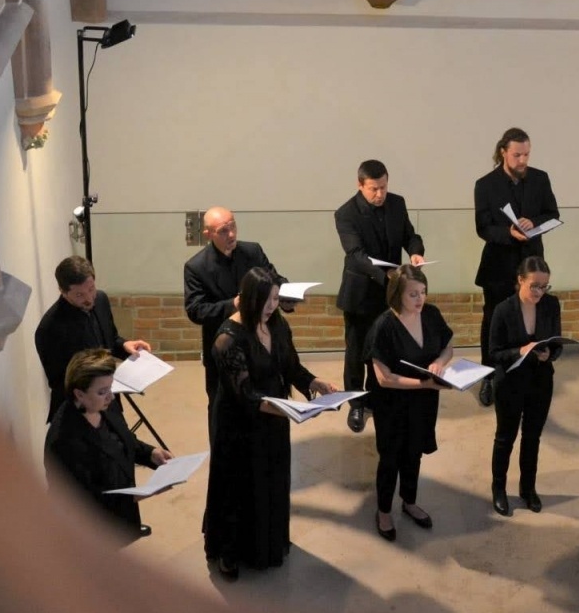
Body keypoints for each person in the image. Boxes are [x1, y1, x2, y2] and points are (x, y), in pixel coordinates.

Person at [204, 269, 337, 580]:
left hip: (275, 415)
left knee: (271, 480)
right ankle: (230, 553)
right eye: (266, 300)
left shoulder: (277, 323)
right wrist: (293, 411)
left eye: (276, 299)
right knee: (239, 487)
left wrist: (315, 383)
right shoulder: (227, 339)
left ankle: (266, 543)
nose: (272, 305)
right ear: (250, 299)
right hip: (240, 424)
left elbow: (289, 365)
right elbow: (246, 396)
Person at [334, 159, 425, 433]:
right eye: (373, 189)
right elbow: (355, 254)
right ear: (360, 185)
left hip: (390, 292)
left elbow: (410, 235)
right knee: (357, 351)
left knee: (383, 348)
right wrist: (384, 275)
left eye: (383, 187)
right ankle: (356, 404)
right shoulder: (346, 214)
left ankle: (377, 398)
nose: (380, 194)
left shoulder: (397, 203)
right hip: (361, 293)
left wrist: (416, 251)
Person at [43, 349, 171, 542]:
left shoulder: (102, 405)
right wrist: (137, 496)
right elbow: (83, 502)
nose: (111, 397)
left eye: (111, 388)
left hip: (120, 517)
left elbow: (123, 439)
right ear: (79, 394)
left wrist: (151, 453)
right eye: (102, 391)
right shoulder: (63, 441)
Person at [473, 126, 559, 408]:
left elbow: (552, 214)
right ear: (503, 152)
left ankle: (527, 365)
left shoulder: (540, 178)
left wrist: (534, 222)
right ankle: (489, 375)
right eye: (517, 155)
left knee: (531, 317)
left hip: (531, 261)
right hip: (499, 264)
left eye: (526, 154)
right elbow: (483, 228)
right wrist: (509, 233)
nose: (523, 160)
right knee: (493, 320)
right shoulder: (485, 184)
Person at [367, 264, 454, 541]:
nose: (420, 300)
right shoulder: (383, 326)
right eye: (413, 295)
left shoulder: (430, 314)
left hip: (423, 401)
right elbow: (384, 378)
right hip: (392, 404)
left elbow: (448, 345)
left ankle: (409, 501)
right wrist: (424, 384)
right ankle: (383, 510)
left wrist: (439, 364)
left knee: (414, 452)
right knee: (390, 456)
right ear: (397, 295)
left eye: (423, 292)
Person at [184, 206, 288, 398]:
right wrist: (234, 304)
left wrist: (287, 294)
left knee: (269, 397)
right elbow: (196, 310)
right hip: (224, 343)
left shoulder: (253, 251)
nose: (231, 234)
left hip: (261, 339)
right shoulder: (196, 267)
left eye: (233, 226)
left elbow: (275, 279)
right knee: (223, 403)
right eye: (223, 230)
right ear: (208, 234)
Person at [488, 256, 562, 517]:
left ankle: (527, 488)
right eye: (535, 286)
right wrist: (520, 351)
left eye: (545, 287)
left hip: (541, 380)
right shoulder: (503, 310)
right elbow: (494, 353)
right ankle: (498, 489)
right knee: (505, 438)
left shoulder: (551, 305)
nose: (540, 292)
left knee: (532, 437)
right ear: (520, 280)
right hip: (510, 381)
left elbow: (557, 344)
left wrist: (549, 354)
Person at [33, 255, 149, 421]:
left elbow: (110, 339)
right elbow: (59, 382)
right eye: (79, 295)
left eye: (91, 289)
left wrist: (124, 346)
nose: (89, 298)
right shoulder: (49, 329)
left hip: (108, 400)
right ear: (63, 291)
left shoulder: (100, 299)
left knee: (125, 444)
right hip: (78, 413)